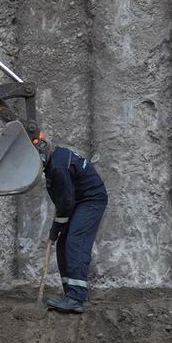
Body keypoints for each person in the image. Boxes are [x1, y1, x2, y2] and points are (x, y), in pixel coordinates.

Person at [35, 135, 108, 314]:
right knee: (63, 243)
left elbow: (65, 204)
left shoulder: (58, 167)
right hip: (79, 200)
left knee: (75, 241)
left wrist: (54, 230)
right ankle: (72, 293)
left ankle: (77, 298)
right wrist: (57, 233)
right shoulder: (55, 161)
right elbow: (65, 202)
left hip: (91, 199)